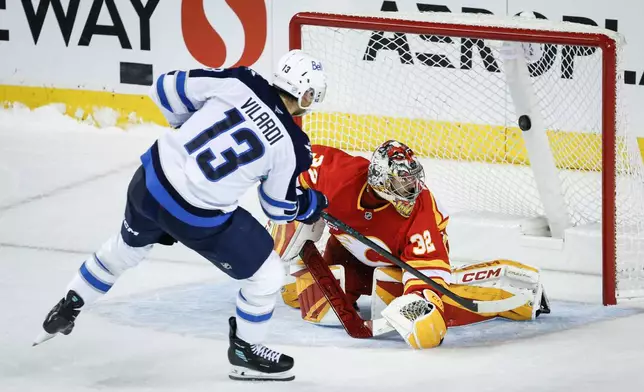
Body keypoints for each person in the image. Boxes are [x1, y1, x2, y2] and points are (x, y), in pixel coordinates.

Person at [33, 50, 329, 382]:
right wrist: (310, 204)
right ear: (307, 96)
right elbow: (277, 207)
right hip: (195, 216)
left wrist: (185, 127)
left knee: (126, 248)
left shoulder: (241, 80)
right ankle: (246, 351)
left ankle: (71, 302)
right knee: (268, 275)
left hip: (149, 183)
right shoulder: (292, 144)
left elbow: (164, 88)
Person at [270, 141, 550, 349]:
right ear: (379, 180)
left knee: (409, 310)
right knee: (302, 297)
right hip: (350, 250)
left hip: (401, 261)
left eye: (413, 181)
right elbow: (292, 162)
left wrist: (422, 301)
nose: (412, 191)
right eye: (402, 183)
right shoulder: (337, 175)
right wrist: (291, 203)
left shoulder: (420, 212)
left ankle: (503, 285)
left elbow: (426, 275)